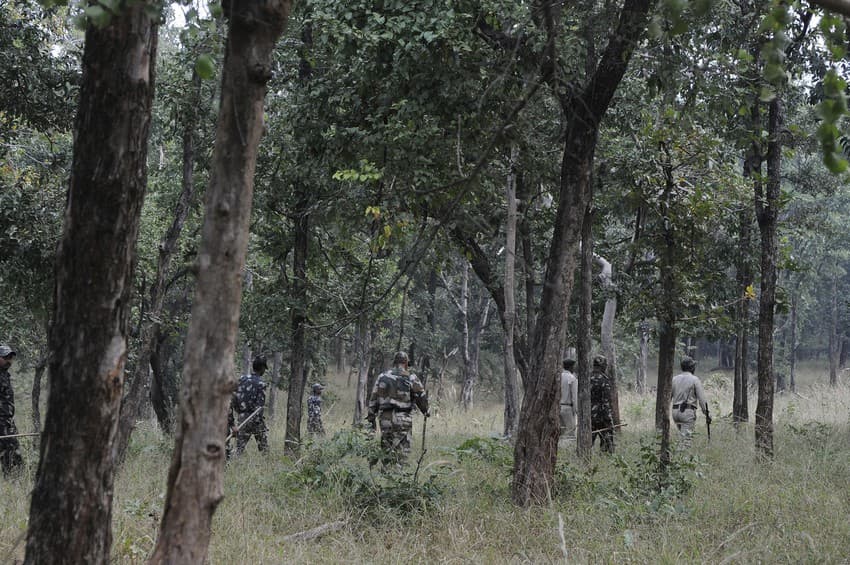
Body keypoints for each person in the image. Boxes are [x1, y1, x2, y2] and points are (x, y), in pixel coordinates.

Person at [366, 351, 429, 466]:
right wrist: (425, 411)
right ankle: (399, 477)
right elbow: (421, 397)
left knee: (386, 450)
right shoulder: (411, 377)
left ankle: (386, 475)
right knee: (402, 453)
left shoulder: (382, 376)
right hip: (403, 419)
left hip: (385, 419)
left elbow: (373, 399)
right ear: (406, 363)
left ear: (394, 363)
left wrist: (371, 418)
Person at [229, 354, 269, 456]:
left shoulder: (241, 379)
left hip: (242, 418)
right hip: (255, 420)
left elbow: (232, 400)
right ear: (262, 368)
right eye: (264, 368)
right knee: (264, 450)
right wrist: (259, 424)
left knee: (238, 450)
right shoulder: (261, 384)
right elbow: (259, 408)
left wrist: (235, 420)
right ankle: (268, 467)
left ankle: (231, 467)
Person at [671, 356, 710, 447]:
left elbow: (668, 397)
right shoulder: (695, 380)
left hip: (675, 412)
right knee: (685, 442)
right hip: (687, 412)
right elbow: (702, 400)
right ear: (692, 367)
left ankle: (679, 457)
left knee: (682, 438)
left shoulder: (674, 379)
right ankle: (681, 459)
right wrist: (707, 414)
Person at [0, 345, 23, 476]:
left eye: (10, 358)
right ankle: (12, 478)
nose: (9, 361)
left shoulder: (5, 375)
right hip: (1, 422)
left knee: (12, 450)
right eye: (5, 357)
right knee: (10, 449)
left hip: (7, 421)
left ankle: (13, 479)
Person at [590, 354, 615, 453]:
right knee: (607, 440)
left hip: (589, 415)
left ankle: (583, 458)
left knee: (588, 440)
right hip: (601, 415)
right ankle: (607, 458)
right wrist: (608, 418)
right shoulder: (604, 380)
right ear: (603, 366)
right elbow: (606, 401)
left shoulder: (587, 378)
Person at [559, 358, 578, 439]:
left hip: (558, 407)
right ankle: (568, 449)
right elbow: (574, 396)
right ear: (570, 367)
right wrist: (575, 410)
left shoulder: (559, 376)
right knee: (570, 432)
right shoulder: (572, 378)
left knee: (561, 431)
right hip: (568, 408)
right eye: (573, 366)